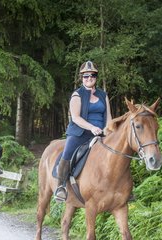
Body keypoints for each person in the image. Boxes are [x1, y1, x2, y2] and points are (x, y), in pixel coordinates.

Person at [54, 60, 113, 202]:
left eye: (92, 75)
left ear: (96, 77)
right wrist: (92, 127)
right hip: (80, 133)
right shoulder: (77, 95)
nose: (89, 78)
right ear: (81, 78)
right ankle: (60, 187)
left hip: (101, 133)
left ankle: (120, 189)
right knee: (67, 154)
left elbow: (109, 117)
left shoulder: (103, 95)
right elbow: (76, 118)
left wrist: (108, 129)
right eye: (85, 76)